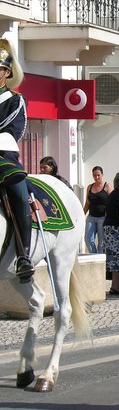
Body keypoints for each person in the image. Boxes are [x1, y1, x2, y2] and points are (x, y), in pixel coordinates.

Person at [0, 40, 34, 282]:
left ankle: (24, 256)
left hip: (3, 157)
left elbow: (13, 131)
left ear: (7, 73)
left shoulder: (15, 100)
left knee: (19, 193)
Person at [83, 165, 113, 254]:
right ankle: (94, 256)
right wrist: (82, 215)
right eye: (94, 175)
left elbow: (112, 202)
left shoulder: (107, 186)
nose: (96, 177)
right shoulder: (89, 187)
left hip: (103, 218)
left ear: (102, 175)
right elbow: (87, 203)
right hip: (91, 217)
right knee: (88, 239)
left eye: (98, 175)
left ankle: (100, 260)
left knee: (101, 242)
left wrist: (110, 217)